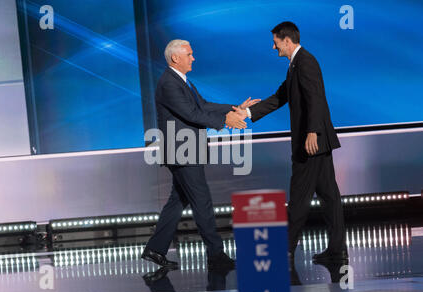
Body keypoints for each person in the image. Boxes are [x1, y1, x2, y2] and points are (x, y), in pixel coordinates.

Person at [141, 39, 259, 270]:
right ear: (176, 58)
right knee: (202, 202)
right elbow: (191, 113)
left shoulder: (182, 81)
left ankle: (155, 250)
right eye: (189, 54)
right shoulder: (169, 83)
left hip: (186, 151)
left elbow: (203, 105)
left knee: (178, 201)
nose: (193, 58)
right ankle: (216, 257)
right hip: (183, 153)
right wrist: (226, 121)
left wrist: (234, 108)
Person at [237, 22, 348, 263]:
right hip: (317, 140)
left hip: (312, 142)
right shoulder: (295, 64)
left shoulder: (305, 61)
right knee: (329, 195)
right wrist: (246, 113)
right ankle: (337, 250)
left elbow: (316, 98)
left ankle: (285, 248)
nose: (273, 46)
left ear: (287, 41)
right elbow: (280, 97)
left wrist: (312, 132)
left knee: (299, 196)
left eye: (275, 41)